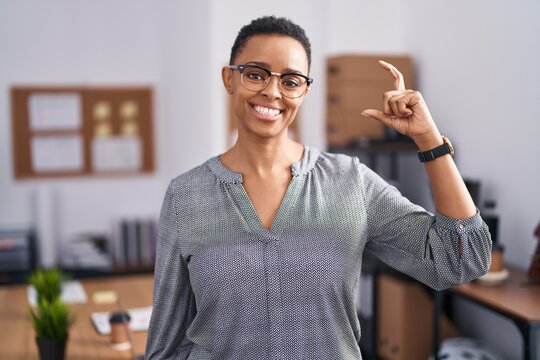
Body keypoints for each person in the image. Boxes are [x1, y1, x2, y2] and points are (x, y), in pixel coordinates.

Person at [145, 15, 491, 360]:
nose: (272, 91)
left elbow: (460, 261)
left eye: (291, 80)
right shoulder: (185, 196)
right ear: (229, 78)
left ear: (305, 90)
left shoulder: (351, 182)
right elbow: (166, 345)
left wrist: (428, 139)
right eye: (255, 74)